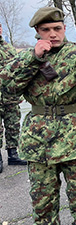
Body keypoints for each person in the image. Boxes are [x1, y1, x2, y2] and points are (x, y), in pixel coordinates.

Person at [1, 7, 76, 224]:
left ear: (65, 28)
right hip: (39, 142)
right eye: (46, 29)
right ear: (37, 32)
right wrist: (34, 59)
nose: (52, 34)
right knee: (43, 205)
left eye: (57, 28)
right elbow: (6, 87)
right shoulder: (25, 57)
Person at [0, 22, 27, 173]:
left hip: (10, 96)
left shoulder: (8, 48)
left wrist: (20, 92)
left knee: (13, 126)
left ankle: (13, 155)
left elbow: (19, 72)